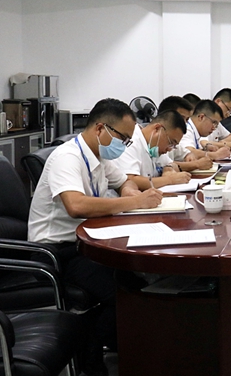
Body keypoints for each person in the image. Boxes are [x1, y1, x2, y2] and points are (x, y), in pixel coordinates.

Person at [27, 98, 164, 376]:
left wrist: (128, 191)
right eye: (123, 138)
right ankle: (91, 360)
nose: (124, 145)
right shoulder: (67, 157)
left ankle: (126, 347)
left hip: (88, 243)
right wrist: (134, 202)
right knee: (123, 292)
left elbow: (124, 181)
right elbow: (76, 205)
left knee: (138, 281)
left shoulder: (98, 157)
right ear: (101, 128)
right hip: (57, 252)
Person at [114, 110, 192, 189]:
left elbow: (171, 164)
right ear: (157, 128)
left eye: (174, 146)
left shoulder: (154, 146)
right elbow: (130, 180)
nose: (169, 149)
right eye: (171, 142)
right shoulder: (131, 141)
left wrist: (168, 169)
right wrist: (169, 180)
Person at [156, 96, 213, 172]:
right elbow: (164, 165)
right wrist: (196, 164)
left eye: (187, 119)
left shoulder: (173, 136)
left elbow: (184, 153)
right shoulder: (157, 137)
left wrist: (189, 155)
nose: (185, 123)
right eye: (181, 118)